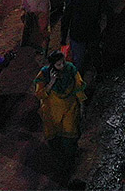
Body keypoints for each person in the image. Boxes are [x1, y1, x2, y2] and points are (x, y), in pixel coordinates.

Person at [32, 51, 86, 181]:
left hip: (69, 108)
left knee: (70, 133)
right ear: (52, 65)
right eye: (58, 64)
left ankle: (69, 162)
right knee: (55, 139)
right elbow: (39, 94)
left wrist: (82, 104)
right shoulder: (44, 74)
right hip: (52, 111)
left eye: (63, 63)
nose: (62, 66)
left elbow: (78, 87)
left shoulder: (71, 70)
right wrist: (51, 82)